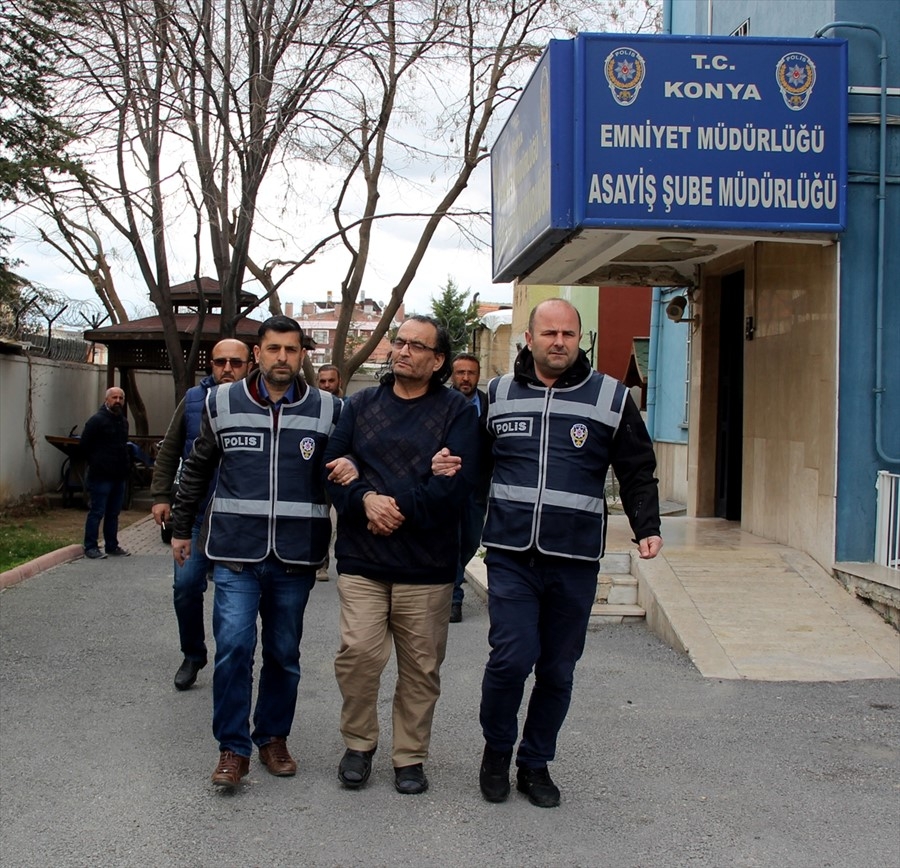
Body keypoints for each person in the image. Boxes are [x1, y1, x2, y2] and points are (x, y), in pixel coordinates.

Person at [443, 299, 663, 808]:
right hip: (511, 553)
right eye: (549, 333)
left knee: (559, 669)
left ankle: (535, 763)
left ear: (578, 339)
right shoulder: (496, 395)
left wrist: (647, 526)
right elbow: (473, 473)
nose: (559, 341)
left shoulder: (609, 396)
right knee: (511, 659)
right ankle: (497, 751)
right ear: (530, 337)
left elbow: (636, 467)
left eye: (568, 333)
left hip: (575, 557)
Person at [170, 315, 344, 790]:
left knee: (284, 653)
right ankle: (232, 748)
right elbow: (198, 468)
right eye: (273, 349)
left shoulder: (328, 409)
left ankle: (272, 737)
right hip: (234, 552)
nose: (282, 358)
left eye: (291, 349)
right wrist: (182, 527)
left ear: (302, 353)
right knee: (233, 649)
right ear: (258, 353)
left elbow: (346, 476)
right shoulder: (221, 401)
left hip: (295, 556)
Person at [323, 315, 479, 796]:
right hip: (362, 560)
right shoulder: (360, 404)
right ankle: (359, 744)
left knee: (420, 668)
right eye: (400, 342)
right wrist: (365, 500)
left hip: (427, 567)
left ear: (438, 361)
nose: (403, 351)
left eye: (417, 346)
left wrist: (391, 505)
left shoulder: (457, 412)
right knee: (359, 656)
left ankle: (409, 756)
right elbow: (331, 468)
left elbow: (453, 486)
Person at [150, 339, 252, 691]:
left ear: (248, 364)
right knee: (186, 586)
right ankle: (193, 653)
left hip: (236, 519)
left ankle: (231, 659)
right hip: (194, 514)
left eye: (235, 363)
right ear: (211, 364)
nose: (228, 369)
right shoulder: (194, 400)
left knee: (231, 595)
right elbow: (170, 449)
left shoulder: (256, 400)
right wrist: (162, 495)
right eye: (221, 362)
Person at [448, 352, 490, 623]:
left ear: (477, 375)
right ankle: (453, 598)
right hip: (448, 486)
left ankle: (451, 580)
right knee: (452, 540)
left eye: (470, 373)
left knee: (472, 541)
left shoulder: (489, 405)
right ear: (453, 375)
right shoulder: (442, 403)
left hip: (478, 487)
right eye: (460, 372)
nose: (465, 378)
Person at [80, 387, 131, 559]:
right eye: (114, 397)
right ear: (106, 399)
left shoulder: (123, 422)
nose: (118, 401)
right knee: (97, 512)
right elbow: (84, 445)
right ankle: (90, 546)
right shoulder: (96, 421)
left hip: (118, 476)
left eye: (120, 398)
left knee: (113, 513)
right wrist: (97, 463)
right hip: (100, 476)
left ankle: (112, 545)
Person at [316, 363, 344, 581]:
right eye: (322, 381)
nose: (326, 385)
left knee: (347, 519)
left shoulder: (350, 406)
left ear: (339, 382)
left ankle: (347, 563)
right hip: (320, 473)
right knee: (321, 519)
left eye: (330, 381)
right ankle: (321, 564)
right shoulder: (313, 408)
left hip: (346, 474)